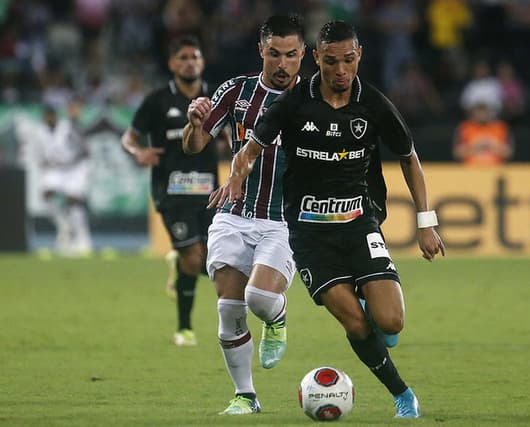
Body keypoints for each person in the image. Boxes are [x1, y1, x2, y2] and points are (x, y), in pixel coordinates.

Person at [208, 20, 445, 419]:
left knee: (391, 323)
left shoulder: (372, 103)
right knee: (355, 323)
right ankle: (402, 394)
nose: (340, 70)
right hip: (310, 236)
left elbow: (408, 156)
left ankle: (377, 315)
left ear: (359, 57)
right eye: (331, 61)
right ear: (316, 58)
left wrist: (426, 221)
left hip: (359, 225)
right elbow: (251, 146)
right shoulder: (295, 103)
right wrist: (237, 174)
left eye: (348, 61)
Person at [182, 14, 305, 415]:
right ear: (261, 51)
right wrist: (194, 123)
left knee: (260, 298)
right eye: (274, 54)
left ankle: (278, 317)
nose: (282, 63)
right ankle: (245, 396)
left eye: (291, 55)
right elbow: (194, 145)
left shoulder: (316, 99)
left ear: (304, 54)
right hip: (234, 214)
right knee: (229, 307)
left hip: (283, 221)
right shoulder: (237, 91)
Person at [121, 36, 218, 347]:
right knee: (192, 256)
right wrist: (138, 153)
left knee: (212, 261)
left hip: (210, 194)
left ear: (202, 62)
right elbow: (129, 138)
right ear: (172, 64)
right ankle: (185, 328)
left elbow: (232, 132)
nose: (189, 62)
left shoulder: (215, 99)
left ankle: (179, 267)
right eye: (183, 57)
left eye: (195, 56)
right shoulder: (157, 101)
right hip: (171, 193)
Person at [40, 99, 93, 256]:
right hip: (59, 169)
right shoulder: (42, 131)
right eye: (46, 115)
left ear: (56, 115)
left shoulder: (68, 126)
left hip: (77, 167)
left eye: (51, 115)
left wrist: (75, 118)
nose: (49, 118)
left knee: (73, 200)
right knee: (46, 194)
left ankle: (84, 240)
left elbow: (84, 146)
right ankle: (64, 226)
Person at [453, 101, 514, 166]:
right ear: (473, 113)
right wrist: (476, 146)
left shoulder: (500, 127)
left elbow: (508, 153)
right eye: (479, 112)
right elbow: (457, 153)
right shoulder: (465, 127)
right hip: (470, 170)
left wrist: (491, 145)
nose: (482, 115)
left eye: (484, 112)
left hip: (495, 169)